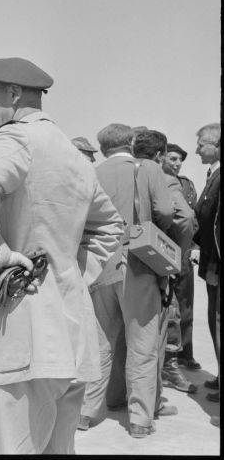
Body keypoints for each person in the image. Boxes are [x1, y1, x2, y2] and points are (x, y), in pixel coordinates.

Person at [0, 57, 124, 454]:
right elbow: (111, 225)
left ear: (14, 95)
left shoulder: (16, 138)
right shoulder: (73, 154)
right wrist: (75, 274)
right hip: (69, 339)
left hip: (16, 336)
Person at [79, 123, 175, 438]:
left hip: (98, 266)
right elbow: (167, 210)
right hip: (139, 265)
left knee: (100, 342)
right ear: (132, 142)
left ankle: (87, 410)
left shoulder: (90, 171)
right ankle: (140, 419)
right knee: (142, 344)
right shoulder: (147, 168)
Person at [133, 130, 197, 401]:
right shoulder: (166, 179)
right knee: (164, 321)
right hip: (154, 259)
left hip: (118, 259)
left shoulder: (116, 170)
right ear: (159, 155)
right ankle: (164, 376)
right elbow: (184, 218)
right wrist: (174, 255)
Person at [162, 142, 200, 370]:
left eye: (179, 160)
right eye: (172, 159)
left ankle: (187, 353)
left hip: (183, 253)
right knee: (168, 307)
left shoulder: (186, 185)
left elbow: (194, 220)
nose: (177, 164)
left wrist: (193, 247)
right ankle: (168, 360)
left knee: (185, 306)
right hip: (163, 251)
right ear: (162, 159)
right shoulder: (155, 181)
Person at [193, 123, 221, 403]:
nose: (197, 149)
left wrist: (214, 262)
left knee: (219, 321)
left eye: (201, 144)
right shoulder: (214, 175)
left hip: (218, 266)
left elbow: (219, 225)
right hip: (212, 262)